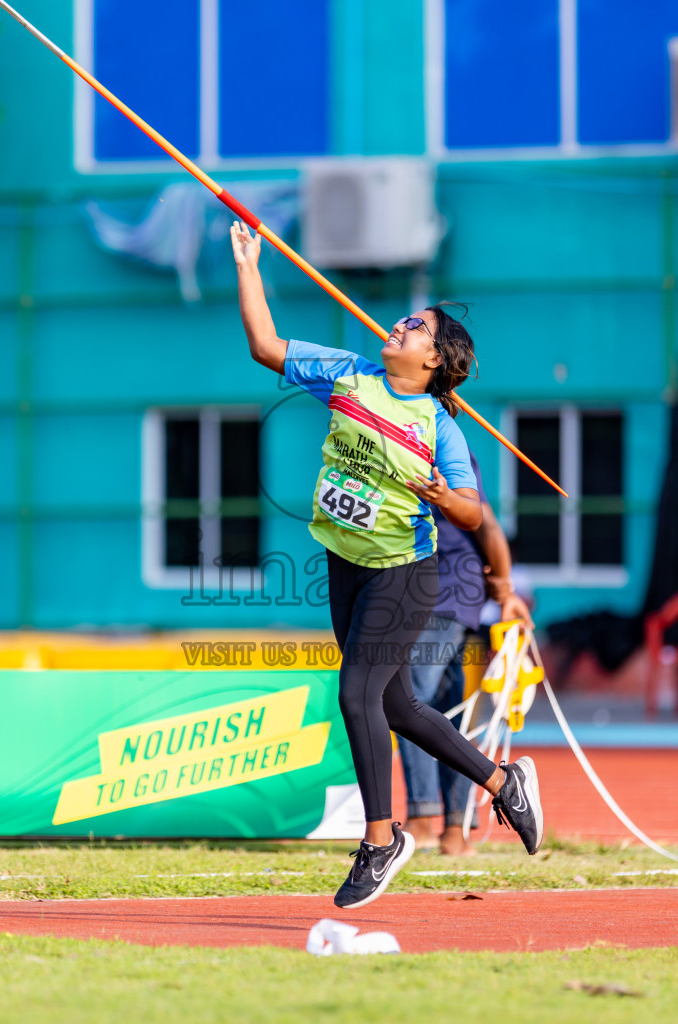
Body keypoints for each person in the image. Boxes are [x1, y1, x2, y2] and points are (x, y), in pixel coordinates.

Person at [230, 220, 543, 911]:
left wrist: (443, 496)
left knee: (356, 695)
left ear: (434, 360)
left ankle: (380, 839)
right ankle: (502, 783)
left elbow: (473, 514)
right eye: (404, 319)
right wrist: (249, 265)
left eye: (415, 326)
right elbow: (264, 346)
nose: (399, 325)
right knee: (397, 704)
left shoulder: (441, 428)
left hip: (404, 572)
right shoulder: (347, 374)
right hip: (344, 561)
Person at [398, 451, 533, 857]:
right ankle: (456, 829)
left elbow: (484, 522)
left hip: (442, 589)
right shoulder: (418, 439)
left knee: (408, 701)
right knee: (449, 705)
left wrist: (507, 593)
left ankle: (424, 818)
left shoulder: (439, 444)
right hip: (449, 589)